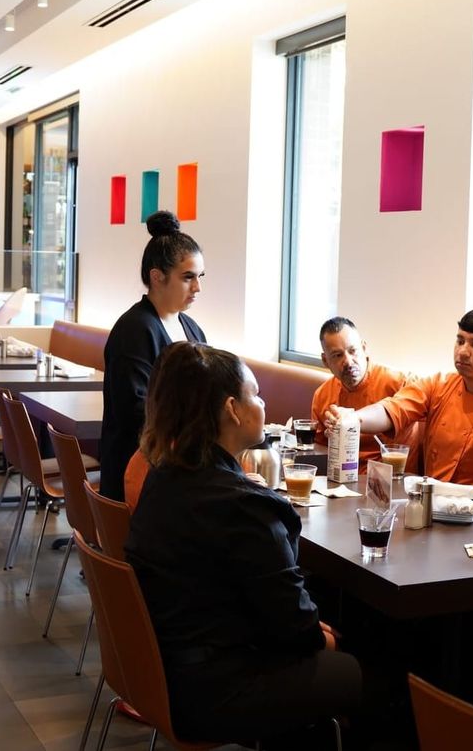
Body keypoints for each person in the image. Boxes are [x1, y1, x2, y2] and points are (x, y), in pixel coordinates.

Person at [125, 342, 361, 743]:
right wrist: (324, 637)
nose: (264, 403)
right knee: (355, 666)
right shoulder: (244, 507)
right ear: (232, 409)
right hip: (214, 692)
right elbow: (295, 630)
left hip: (159, 674)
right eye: (256, 394)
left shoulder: (162, 477)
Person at [321, 307, 473, 485]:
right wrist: (353, 418)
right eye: (460, 341)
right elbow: (393, 408)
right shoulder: (439, 384)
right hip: (429, 502)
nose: (463, 351)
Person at [100, 211, 207, 500]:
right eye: (188, 278)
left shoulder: (192, 329)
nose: (198, 287)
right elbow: (135, 410)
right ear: (157, 277)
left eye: (200, 277)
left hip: (180, 466)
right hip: (141, 474)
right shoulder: (134, 330)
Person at [310, 316, 418, 462]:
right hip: (340, 477)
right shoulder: (322, 395)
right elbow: (320, 451)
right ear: (325, 361)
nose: (348, 361)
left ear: (364, 348)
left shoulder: (399, 383)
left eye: (353, 350)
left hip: (387, 476)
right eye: (337, 355)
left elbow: (407, 449)